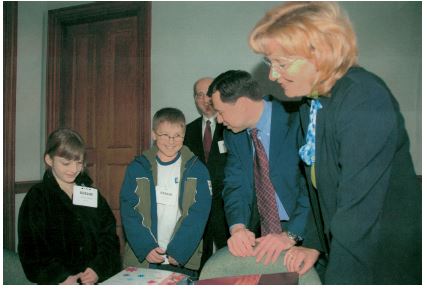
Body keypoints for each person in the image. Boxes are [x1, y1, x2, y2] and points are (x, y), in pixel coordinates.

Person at [248, 1, 421, 284]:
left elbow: (357, 215)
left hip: (382, 260)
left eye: (281, 63)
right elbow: (319, 184)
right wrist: (314, 243)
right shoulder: (311, 102)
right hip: (345, 247)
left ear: (321, 54)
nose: (272, 75)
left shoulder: (364, 99)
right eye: (270, 63)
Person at [208, 70, 310, 267]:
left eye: (220, 112)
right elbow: (235, 185)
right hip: (264, 233)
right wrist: (237, 228)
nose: (218, 120)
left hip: (305, 232)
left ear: (243, 104)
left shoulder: (297, 119)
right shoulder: (234, 135)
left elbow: (313, 189)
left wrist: (290, 235)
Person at [18, 128, 121, 285]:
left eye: (78, 162)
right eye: (66, 163)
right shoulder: (37, 197)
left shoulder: (90, 192)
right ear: (49, 159)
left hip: (95, 280)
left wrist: (97, 269)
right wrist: (61, 277)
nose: (73, 169)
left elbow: (109, 235)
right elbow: (31, 248)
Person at [120, 107, 212, 278]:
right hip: (144, 256)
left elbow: (199, 213)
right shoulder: (137, 168)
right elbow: (129, 210)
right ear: (154, 134)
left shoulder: (197, 169)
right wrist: (144, 246)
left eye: (177, 135)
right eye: (164, 135)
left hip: (179, 257)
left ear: (184, 136)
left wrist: (180, 249)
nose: (171, 141)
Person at [184, 77, 230, 270]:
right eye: (199, 95)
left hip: (226, 205)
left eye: (209, 93)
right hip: (197, 207)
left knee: (229, 260)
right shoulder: (187, 131)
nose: (205, 99)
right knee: (199, 262)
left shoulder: (230, 126)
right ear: (195, 99)